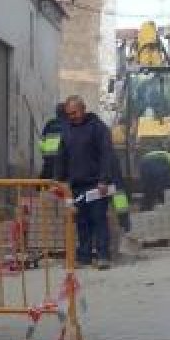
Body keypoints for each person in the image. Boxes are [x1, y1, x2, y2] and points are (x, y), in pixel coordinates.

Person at [56, 95, 117, 269]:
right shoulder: (67, 129)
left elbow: (107, 155)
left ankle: (103, 255)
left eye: (74, 113)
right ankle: (84, 256)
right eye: (68, 114)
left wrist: (104, 179)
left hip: (96, 185)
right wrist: (59, 180)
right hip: (76, 184)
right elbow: (62, 156)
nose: (71, 117)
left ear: (83, 109)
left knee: (98, 219)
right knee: (82, 221)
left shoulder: (98, 128)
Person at [38, 102, 67, 180]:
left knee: (47, 186)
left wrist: (45, 155)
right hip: (63, 165)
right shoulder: (69, 125)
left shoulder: (50, 124)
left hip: (48, 163)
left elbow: (41, 142)